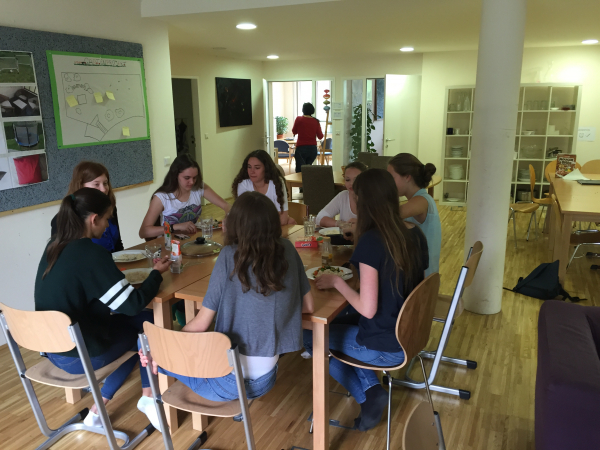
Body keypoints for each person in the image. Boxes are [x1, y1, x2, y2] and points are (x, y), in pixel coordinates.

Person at [139, 191, 314, 408]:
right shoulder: (287, 248)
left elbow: (201, 323)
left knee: (147, 346)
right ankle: (152, 385)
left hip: (227, 382)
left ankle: (149, 398)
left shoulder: (230, 255)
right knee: (162, 353)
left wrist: (168, 349)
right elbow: (308, 306)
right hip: (266, 378)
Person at [302, 169, 429, 432]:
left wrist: (337, 282)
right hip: (409, 332)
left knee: (310, 334)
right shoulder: (414, 233)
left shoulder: (373, 241)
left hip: (386, 345)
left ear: (363, 202)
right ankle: (372, 390)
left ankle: (368, 395)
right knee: (338, 321)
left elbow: (368, 309)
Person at [35, 188, 172, 430]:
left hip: (52, 347)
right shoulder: (90, 253)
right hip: (78, 355)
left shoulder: (53, 246)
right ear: (93, 219)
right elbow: (132, 304)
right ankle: (148, 397)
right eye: (107, 219)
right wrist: (156, 274)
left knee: (139, 326)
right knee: (146, 328)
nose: (108, 226)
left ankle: (99, 410)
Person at [139, 154, 230, 239]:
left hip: (191, 240)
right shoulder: (161, 198)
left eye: (195, 177)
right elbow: (143, 232)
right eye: (187, 178)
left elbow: (227, 206)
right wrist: (175, 227)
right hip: (169, 244)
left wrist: (228, 217)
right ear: (176, 175)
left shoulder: (198, 187)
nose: (192, 182)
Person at [51, 161, 123, 253]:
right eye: (96, 184)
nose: (104, 189)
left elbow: (118, 245)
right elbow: (64, 256)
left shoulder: (110, 209)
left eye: (105, 183)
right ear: (81, 186)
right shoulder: (62, 218)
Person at [387, 153, 441, 276]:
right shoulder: (418, 198)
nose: (389, 183)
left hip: (423, 277)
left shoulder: (422, 200)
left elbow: (389, 216)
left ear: (407, 177)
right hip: (418, 272)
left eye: (391, 178)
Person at [232, 149, 295, 225]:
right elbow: (244, 218)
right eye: (249, 167)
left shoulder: (277, 183)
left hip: (272, 227)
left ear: (266, 168)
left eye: (257, 168)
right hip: (254, 227)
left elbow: (283, 219)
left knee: (291, 222)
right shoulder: (243, 184)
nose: (252, 171)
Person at [315, 161, 367, 227]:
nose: (351, 183)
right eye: (347, 180)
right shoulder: (343, 196)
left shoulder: (373, 198)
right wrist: (339, 223)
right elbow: (319, 218)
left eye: (356, 180)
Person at [292, 102, 324, 173]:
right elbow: (320, 137)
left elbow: (294, 131)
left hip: (301, 149)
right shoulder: (316, 121)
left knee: (300, 171)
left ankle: (300, 180)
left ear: (303, 110)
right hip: (312, 149)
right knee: (308, 170)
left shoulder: (298, 119)